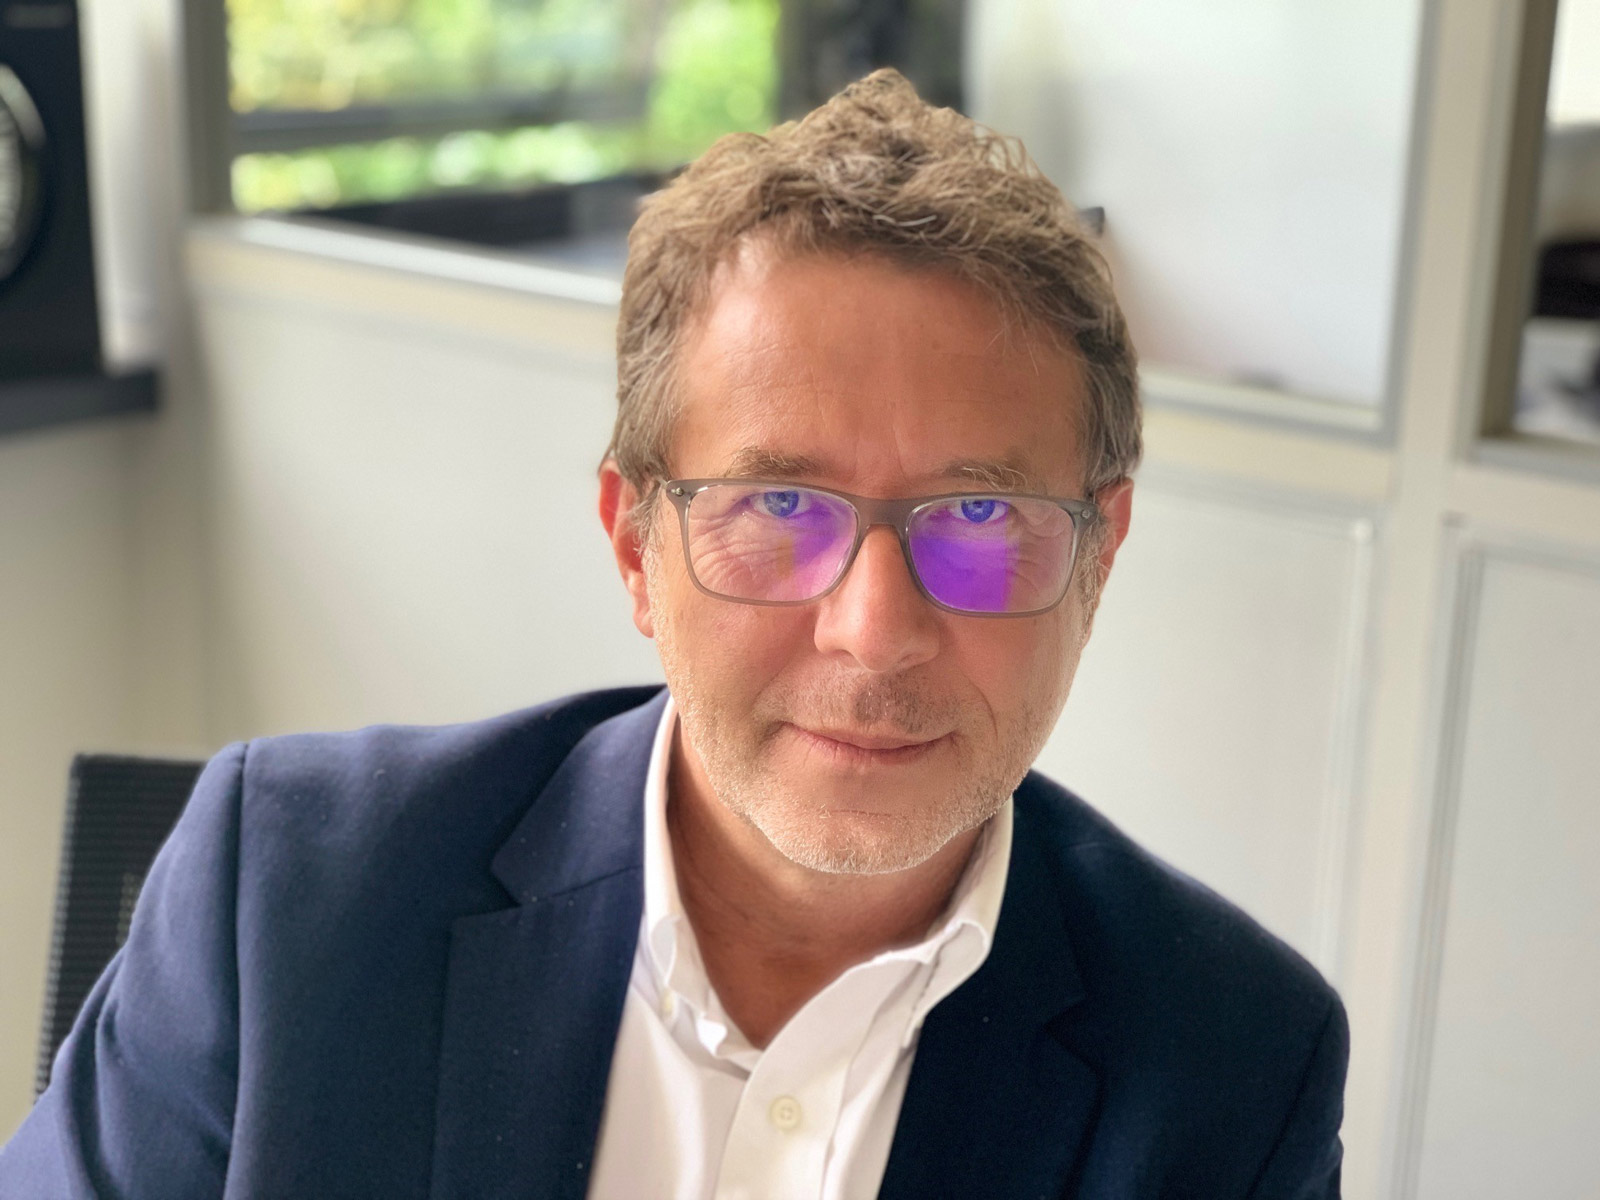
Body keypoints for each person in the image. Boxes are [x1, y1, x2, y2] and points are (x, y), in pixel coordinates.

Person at [1, 69, 1346, 1198]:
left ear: (1098, 557)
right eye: (781, 504)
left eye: (981, 515)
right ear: (636, 543)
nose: (875, 632)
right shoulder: (287, 895)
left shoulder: (1235, 1068)